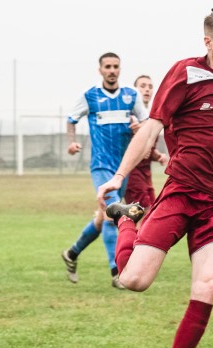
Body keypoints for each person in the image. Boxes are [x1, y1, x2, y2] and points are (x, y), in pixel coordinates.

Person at [96, 8, 213, 348]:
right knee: (132, 280)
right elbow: (151, 130)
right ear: (208, 41)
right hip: (181, 192)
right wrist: (119, 178)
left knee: (208, 285)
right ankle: (125, 221)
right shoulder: (185, 73)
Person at [61, 52, 148, 289]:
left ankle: (71, 253)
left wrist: (139, 127)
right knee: (113, 215)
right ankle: (116, 272)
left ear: (120, 69)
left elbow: (148, 124)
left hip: (123, 168)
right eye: (107, 66)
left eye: (115, 66)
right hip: (100, 166)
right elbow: (71, 119)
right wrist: (71, 141)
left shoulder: (131, 96)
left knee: (101, 220)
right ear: (100, 70)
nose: (111, 70)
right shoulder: (90, 96)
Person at [125, 75, 169, 208]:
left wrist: (158, 155)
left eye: (150, 87)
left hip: (146, 173)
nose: (147, 90)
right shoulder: (129, 116)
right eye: (142, 86)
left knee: (149, 211)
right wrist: (133, 135)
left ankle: (101, 221)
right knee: (142, 211)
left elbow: (149, 148)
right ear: (135, 90)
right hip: (132, 172)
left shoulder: (152, 117)